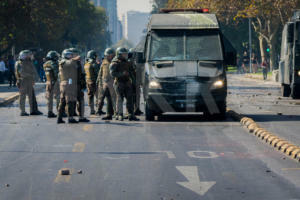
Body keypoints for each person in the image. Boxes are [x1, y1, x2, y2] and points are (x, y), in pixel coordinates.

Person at [109, 47, 139, 121]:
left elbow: (132, 73)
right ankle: (119, 114)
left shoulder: (128, 62)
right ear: (119, 54)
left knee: (130, 99)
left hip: (127, 83)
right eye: (123, 54)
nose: (125, 55)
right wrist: (122, 74)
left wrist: (135, 83)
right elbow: (112, 74)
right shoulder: (114, 63)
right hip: (119, 83)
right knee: (119, 99)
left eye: (126, 54)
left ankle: (130, 114)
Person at [15, 50, 43, 116]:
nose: (30, 56)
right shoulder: (19, 63)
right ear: (24, 56)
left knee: (31, 96)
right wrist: (31, 75)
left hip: (30, 81)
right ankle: (22, 111)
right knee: (22, 96)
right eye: (28, 55)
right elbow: (21, 73)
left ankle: (32, 110)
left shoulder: (29, 62)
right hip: (23, 81)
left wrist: (36, 78)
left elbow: (34, 71)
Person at [57, 49, 79, 124]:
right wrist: (74, 59)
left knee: (63, 101)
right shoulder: (64, 62)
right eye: (68, 55)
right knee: (70, 101)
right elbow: (69, 63)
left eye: (71, 54)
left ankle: (59, 118)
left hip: (67, 83)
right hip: (67, 83)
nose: (71, 56)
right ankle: (70, 118)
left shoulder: (67, 62)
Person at [69, 48, 90, 123]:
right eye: (76, 54)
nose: (78, 55)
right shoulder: (73, 63)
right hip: (74, 85)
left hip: (76, 84)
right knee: (77, 100)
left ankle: (74, 116)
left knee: (77, 100)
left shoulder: (71, 62)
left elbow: (81, 74)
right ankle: (77, 117)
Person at [97, 48, 116, 120]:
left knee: (114, 99)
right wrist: (98, 80)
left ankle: (117, 113)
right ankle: (109, 114)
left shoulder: (115, 62)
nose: (108, 57)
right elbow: (100, 72)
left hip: (113, 83)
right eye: (107, 55)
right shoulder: (104, 62)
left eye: (110, 55)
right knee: (107, 98)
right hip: (105, 83)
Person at [43, 51, 60, 118]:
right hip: (55, 82)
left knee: (49, 98)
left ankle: (50, 111)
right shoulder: (54, 64)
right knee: (58, 96)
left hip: (48, 82)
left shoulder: (45, 64)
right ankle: (60, 111)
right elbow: (57, 74)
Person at [84, 50, 100, 115]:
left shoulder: (86, 64)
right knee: (98, 96)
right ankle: (98, 110)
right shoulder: (94, 64)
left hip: (88, 82)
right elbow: (98, 73)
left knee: (90, 96)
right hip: (94, 82)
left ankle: (92, 110)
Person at [128, 48, 143, 116]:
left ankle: (137, 109)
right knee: (132, 97)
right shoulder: (129, 62)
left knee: (137, 96)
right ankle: (132, 110)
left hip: (136, 82)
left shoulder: (134, 62)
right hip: (131, 82)